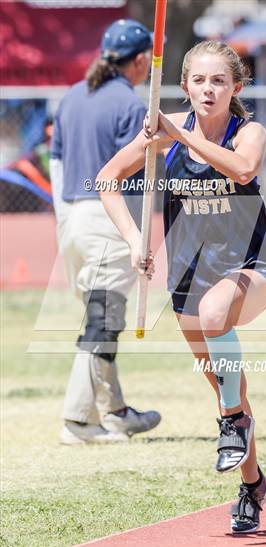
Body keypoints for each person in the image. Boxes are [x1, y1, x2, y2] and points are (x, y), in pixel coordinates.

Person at [97, 40, 266, 533]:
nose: (208, 89)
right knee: (227, 392)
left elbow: (241, 168)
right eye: (198, 80)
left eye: (219, 80)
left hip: (249, 266)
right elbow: (107, 179)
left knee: (219, 317)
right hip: (187, 278)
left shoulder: (250, 131)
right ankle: (252, 484)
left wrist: (177, 131)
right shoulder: (166, 134)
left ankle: (235, 424)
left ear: (235, 87)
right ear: (184, 86)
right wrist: (137, 239)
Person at [50, 19, 161, 445]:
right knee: (103, 322)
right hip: (107, 221)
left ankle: (113, 412)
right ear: (138, 61)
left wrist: (64, 216)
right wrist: (137, 235)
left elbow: (56, 162)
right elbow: (131, 177)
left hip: (73, 218)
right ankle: (81, 422)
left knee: (99, 319)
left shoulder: (72, 97)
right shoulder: (131, 106)